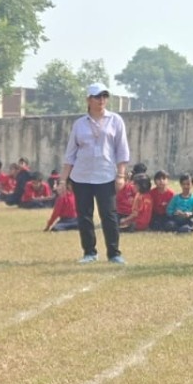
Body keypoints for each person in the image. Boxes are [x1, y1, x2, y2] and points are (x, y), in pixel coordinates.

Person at [61, 82, 131, 264]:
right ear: (89, 100)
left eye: (104, 96)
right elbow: (70, 154)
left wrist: (121, 175)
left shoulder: (115, 120)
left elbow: (122, 150)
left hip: (106, 174)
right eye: (98, 96)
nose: (102, 100)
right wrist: (63, 180)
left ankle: (114, 253)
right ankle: (89, 252)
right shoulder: (79, 124)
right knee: (84, 215)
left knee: (109, 214)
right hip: (82, 176)